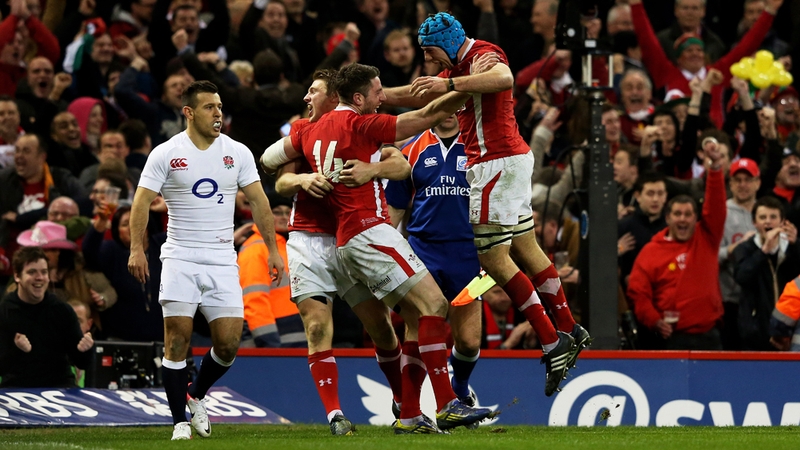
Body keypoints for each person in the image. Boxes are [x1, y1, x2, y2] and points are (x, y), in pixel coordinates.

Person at [261, 63, 495, 433]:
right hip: (368, 230)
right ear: (357, 98)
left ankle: (410, 414)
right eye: (377, 91)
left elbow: (270, 160)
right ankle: (448, 402)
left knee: (416, 317)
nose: (382, 97)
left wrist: (360, 169)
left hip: (350, 237)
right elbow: (428, 114)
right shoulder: (360, 124)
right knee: (434, 305)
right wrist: (481, 87)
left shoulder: (309, 131)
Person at [382, 12, 588, 396]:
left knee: (492, 259)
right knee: (526, 248)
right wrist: (374, 96)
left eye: (430, 52)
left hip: (496, 162)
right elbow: (418, 95)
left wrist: (455, 81)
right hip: (496, 169)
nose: (429, 61)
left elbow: (503, 78)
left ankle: (551, 340)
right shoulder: (456, 72)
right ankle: (568, 327)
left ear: (445, 42)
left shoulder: (482, 55)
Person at [127, 80, 285, 441]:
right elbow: (140, 202)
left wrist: (273, 249)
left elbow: (260, 202)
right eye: (210, 107)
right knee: (177, 341)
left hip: (221, 257)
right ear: (189, 112)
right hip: (180, 255)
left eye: (220, 106)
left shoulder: (238, 152)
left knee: (229, 343)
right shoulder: (166, 153)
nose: (218, 113)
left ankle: (195, 395)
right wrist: (137, 249)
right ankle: (178, 421)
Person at [272, 69, 406, 435]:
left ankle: (401, 402)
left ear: (334, 97)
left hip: (351, 239)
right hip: (307, 240)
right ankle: (335, 415)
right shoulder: (301, 130)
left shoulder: (364, 126)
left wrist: (372, 169)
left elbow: (400, 163)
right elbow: (278, 176)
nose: (306, 98)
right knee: (317, 326)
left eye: (313, 91)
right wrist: (300, 179)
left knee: (380, 327)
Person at [385, 114, 482, 410]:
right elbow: (395, 208)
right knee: (416, 328)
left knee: (469, 342)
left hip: (470, 255)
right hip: (423, 252)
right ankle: (409, 406)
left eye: (456, 106)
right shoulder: (411, 150)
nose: (450, 112)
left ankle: (460, 386)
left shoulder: (479, 148)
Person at [627, 138, 726, 350]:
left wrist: (715, 168)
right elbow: (638, 293)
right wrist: (655, 320)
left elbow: (716, 206)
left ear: (696, 218)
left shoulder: (706, 238)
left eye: (688, 214)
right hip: (671, 339)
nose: (683, 219)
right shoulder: (651, 251)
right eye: (678, 214)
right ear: (668, 218)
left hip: (710, 337)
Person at [0, 246, 93, 387]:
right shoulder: (5, 311)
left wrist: (85, 350)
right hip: (18, 389)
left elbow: (82, 363)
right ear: (17, 276)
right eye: (32, 272)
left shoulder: (62, 310)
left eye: (44, 272)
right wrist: (17, 350)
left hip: (59, 388)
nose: (39, 278)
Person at [733, 197, 800, 350]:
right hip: (755, 331)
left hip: (788, 330)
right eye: (762, 217)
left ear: (783, 222)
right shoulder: (745, 249)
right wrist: (763, 252)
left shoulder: (792, 248)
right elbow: (741, 277)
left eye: (773, 217)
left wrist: (795, 246)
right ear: (754, 222)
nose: (768, 222)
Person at [238, 193, 305, 348]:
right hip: (275, 341)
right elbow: (254, 299)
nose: (284, 217)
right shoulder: (256, 248)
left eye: (288, 213)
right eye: (277, 212)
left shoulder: (285, 246)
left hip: (292, 337)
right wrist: (269, 344)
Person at [719, 159, 760, 350]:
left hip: (761, 300)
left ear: (758, 182)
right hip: (729, 300)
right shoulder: (721, 213)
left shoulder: (767, 212)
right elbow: (710, 255)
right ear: (730, 184)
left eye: (748, 180)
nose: (743, 185)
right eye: (738, 180)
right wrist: (736, 248)